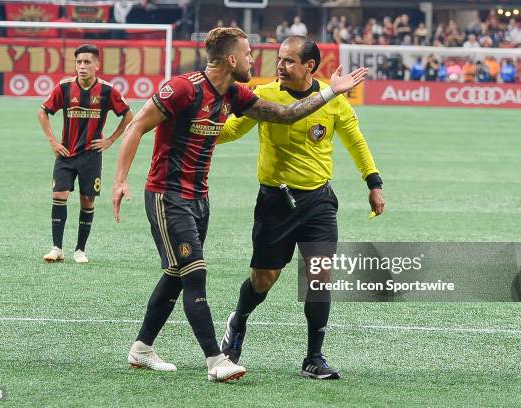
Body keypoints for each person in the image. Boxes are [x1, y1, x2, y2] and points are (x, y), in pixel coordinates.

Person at [112, 27, 368, 382]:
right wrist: (120, 179)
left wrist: (329, 92)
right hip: (167, 195)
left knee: (175, 274)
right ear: (232, 59)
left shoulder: (234, 94)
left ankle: (141, 349)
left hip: (200, 197)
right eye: (250, 54)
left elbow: (287, 114)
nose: (256, 60)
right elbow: (136, 126)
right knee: (194, 273)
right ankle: (217, 360)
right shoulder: (182, 89)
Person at [218, 36, 384, 380]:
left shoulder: (334, 100)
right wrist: (201, 127)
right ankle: (238, 322)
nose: (280, 65)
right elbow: (234, 130)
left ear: (310, 66)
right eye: (279, 59)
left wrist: (373, 182)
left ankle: (314, 357)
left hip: (318, 203)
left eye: (289, 61)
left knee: (320, 279)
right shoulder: (264, 94)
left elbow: (355, 140)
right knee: (263, 280)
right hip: (275, 204)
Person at [39, 44, 132, 263]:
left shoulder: (108, 91)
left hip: (91, 156)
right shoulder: (64, 88)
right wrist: (53, 141)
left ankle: (80, 250)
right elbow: (42, 112)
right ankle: (56, 248)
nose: (82, 66)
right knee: (59, 196)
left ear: (97, 65)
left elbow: (128, 117)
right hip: (66, 153)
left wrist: (110, 140)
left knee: (87, 201)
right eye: (79, 62)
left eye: (87, 62)